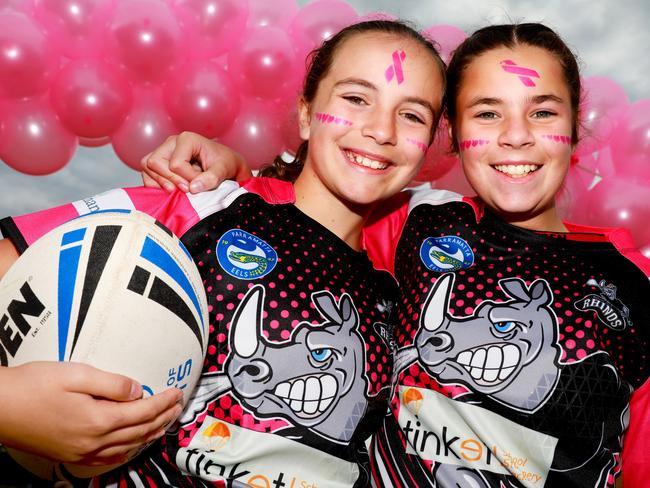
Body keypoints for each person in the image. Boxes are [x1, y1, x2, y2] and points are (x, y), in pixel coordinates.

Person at [140, 23, 650, 488]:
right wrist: (233, 175)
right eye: (488, 112)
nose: (515, 135)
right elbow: (312, 205)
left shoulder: (636, 283)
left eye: (542, 111)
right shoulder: (418, 223)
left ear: (576, 125)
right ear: (450, 135)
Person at [0, 20, 446, 486]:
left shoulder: (408, 270)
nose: (381, 130)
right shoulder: (195, 204)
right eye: (356, 98)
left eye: (412, 115)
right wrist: (8, 404)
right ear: (306, 113)